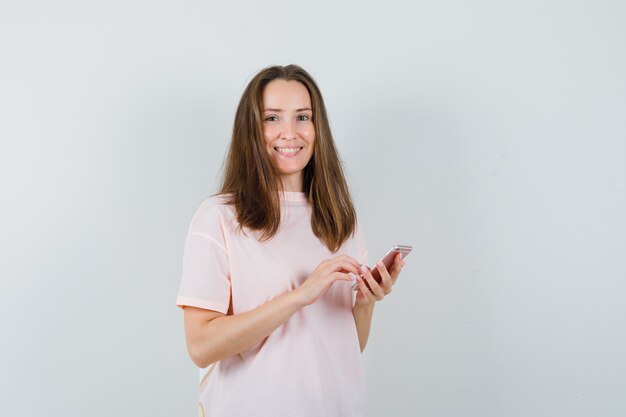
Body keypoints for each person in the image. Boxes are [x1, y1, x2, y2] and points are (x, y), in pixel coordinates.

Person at [176, 64, 405, 417]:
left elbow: (345, 347)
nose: (289, 132)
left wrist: (365, 302)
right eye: (272, 118)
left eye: (302, 117)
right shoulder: (219, 217)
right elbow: (201, 345)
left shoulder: (341, 220)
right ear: (251, 129)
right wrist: (300, 296)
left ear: (317, 127)